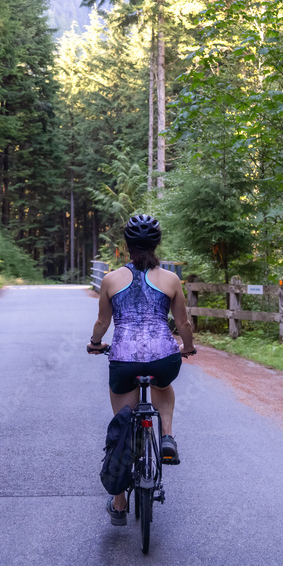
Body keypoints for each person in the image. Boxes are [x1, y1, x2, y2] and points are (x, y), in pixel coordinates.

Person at [87, 214, 196, 526]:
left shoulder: (110, 280)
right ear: (157, 244)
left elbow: (102, 323)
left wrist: (95, 343)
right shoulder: (171, 280)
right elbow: (183, 324)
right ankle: (167, 437)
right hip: (164, 356)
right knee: (163, 386)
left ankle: (119, 503)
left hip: (123, 359)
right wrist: (186, 348)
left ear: (127, 246)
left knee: (122, 427)